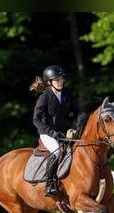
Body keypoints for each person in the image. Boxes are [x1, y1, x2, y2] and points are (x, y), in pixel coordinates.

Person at [30, 65, 87, 197]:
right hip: (48, 133)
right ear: (49, 82)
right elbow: (36, 120)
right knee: (57, 151)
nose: (60, 81)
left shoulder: (67, 93)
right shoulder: (44, 97)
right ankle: (50, 184)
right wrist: (53, 133)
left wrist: (79, 129)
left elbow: (78, 112)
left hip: (64, 132)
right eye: (56, 80)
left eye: (61, 79)